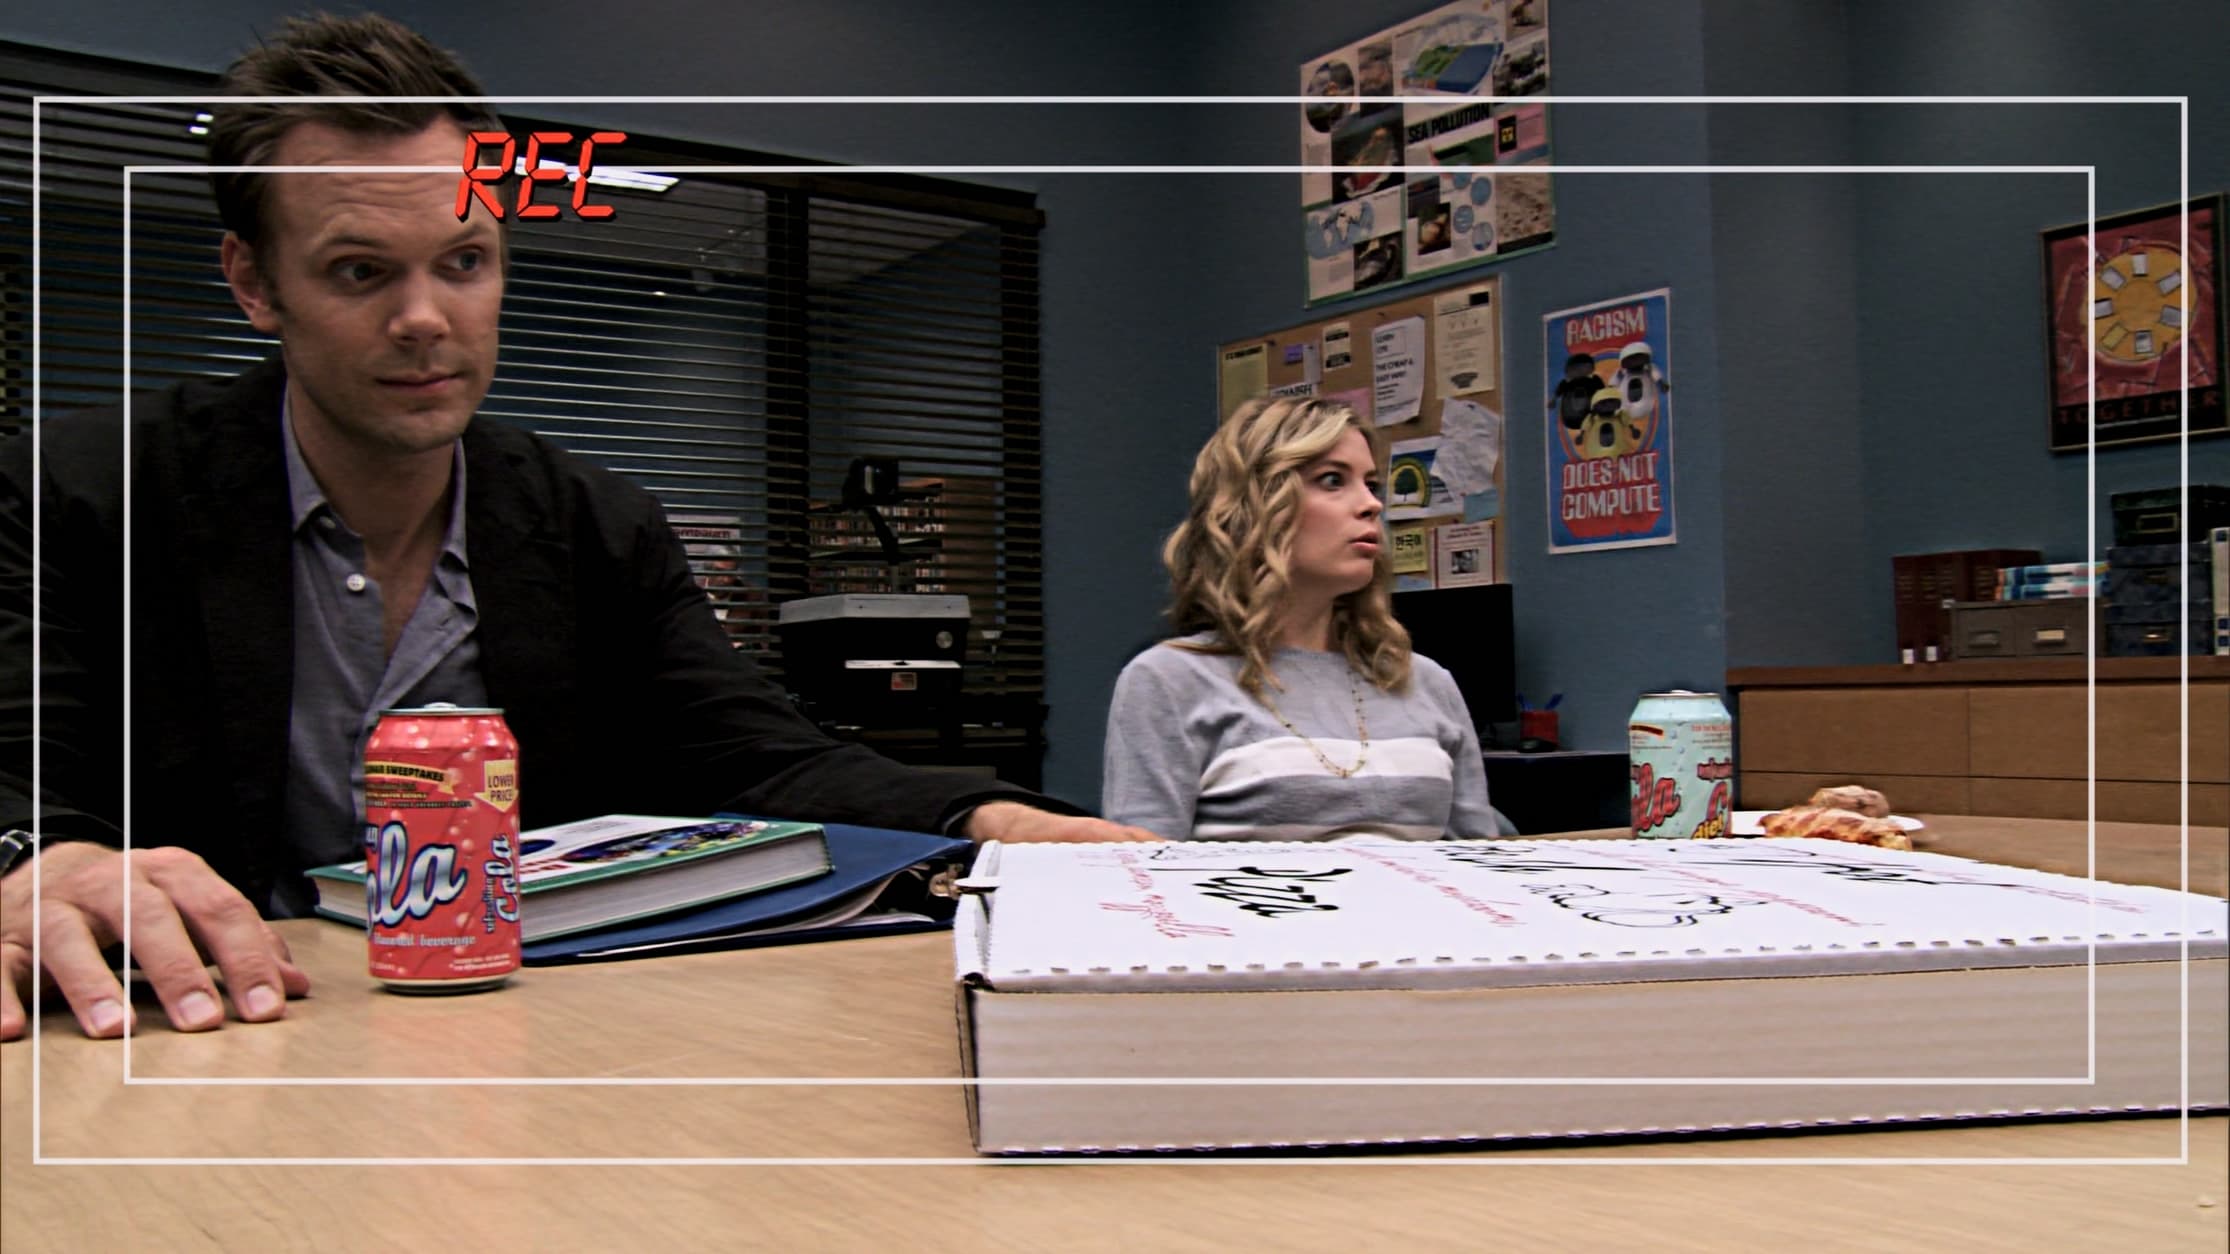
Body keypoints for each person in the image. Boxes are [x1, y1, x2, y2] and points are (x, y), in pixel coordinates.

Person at [0, 13, 1149, 1045]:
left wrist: (992, 819)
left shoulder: (595, 524)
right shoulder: (79, 496)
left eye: (464, 262)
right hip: (202, 1037)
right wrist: (40, 860)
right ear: (256, 285)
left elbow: (758, 752)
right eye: (359, 271)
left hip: (518, 1045)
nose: (424, 318)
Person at [1102, 396, 1496, 842]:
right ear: (1258, 505)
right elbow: (1144, 873)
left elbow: (1480, 861)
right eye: (1333, 480)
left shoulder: (1426, 682)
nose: (1371, 504)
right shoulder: (1169, 681)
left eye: (1371, 484)